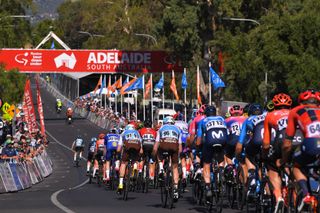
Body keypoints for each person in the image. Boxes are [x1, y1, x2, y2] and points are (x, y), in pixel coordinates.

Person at [282, 89, 320, 211]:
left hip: (311, 143)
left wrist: (284, 160)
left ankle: (306, 195)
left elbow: (287, 143)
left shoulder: (295, 111)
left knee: (297, 166)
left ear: (301, 102)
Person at [262, 93, 292, 212]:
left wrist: (264, 157)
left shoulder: (270, 115)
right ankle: (297, 199)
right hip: (298, 141)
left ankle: (279, 196)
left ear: (274, 105)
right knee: (295, 167)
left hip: (280, 142)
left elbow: (266, 143)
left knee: (273, 169)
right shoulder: (295, 112)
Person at [196, 105, 228, 201]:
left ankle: (208, 187)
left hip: (210, 142)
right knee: (221, 157)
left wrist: (198, 148)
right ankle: (221, 171)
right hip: (223, 141)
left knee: (206, 164)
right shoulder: (222, 119)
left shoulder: (203, 121)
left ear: (205, 114)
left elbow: (198, 140)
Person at [236, 103, 266, 198]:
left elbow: (240, 142)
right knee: (264, 164)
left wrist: (238, 155)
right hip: (268, 143)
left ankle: (252, 177)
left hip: (255, 143)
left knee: (248, 156)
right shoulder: (267, 117)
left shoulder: (248, 120)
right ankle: (266, 190)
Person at [153, 116, 182, 200]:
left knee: (158, 151)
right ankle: (175, 189)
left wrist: (153, 155)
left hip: (164, 147)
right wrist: (178, 156)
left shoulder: (161, 128)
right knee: (175, 167)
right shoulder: (177, 129)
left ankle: (161, 168)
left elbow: (156, 145)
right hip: (174, 147)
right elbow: (180, 147)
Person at [117, 124, 142, 193]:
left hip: (128, 145)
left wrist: (118, 153)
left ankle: (121, 184)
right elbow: (141, 146)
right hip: (136, 145)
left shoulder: (124, 132)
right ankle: (135, 167)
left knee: (124, 163)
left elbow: (119, 148)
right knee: (135, 160)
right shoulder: (137, 132)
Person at [139, 119, 157, 184]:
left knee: (142, 157)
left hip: (144, 145)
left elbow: (139, 140)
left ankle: (140, 170)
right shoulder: (154, 131)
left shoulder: (141, 130)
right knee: (152, 160)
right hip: (151, 145)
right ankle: (151, 176)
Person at [174, 116, 190, 185]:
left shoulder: (174, 123)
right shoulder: (186, 123)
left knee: (174, 155)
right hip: (185, 139)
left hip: (177, 139)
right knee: (183, 157)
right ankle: (185, 175)